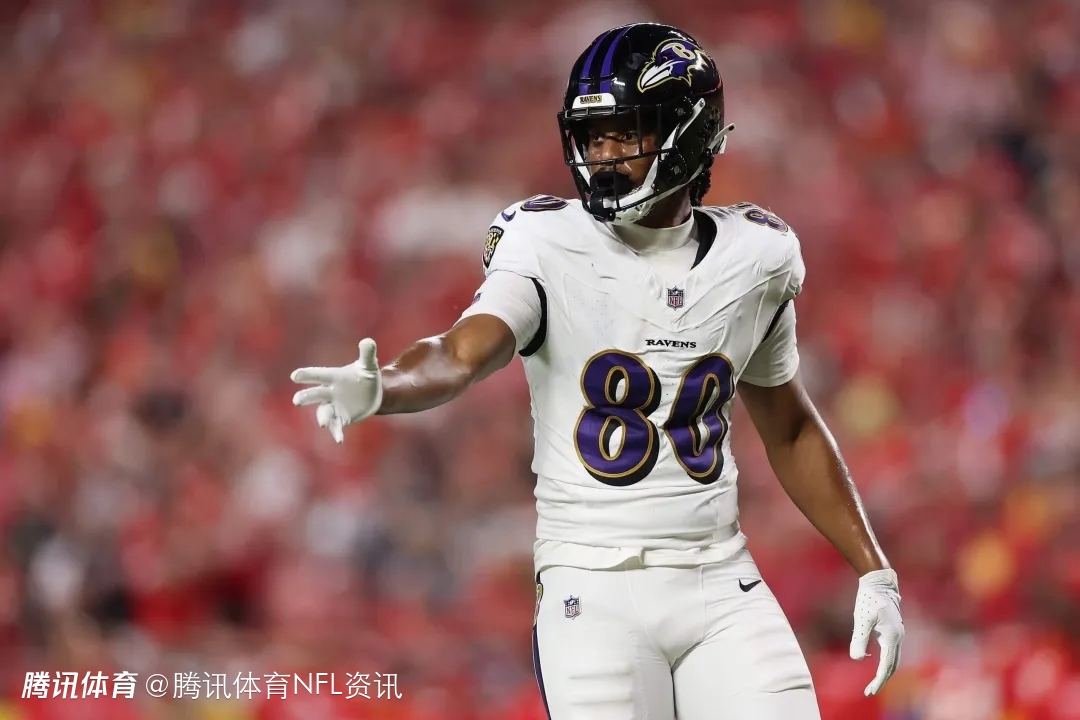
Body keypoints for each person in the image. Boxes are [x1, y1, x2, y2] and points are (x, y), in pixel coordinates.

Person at [290, 22, 904, 720]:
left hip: (719, 578)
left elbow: (789, 429)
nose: (603, 155)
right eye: (592, 136)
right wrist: (386, 387)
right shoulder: (546, 241)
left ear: (690, 131)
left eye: (624, 133)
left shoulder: (756, 257)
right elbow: (462, 352)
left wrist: (874, 570)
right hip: (594, 586)